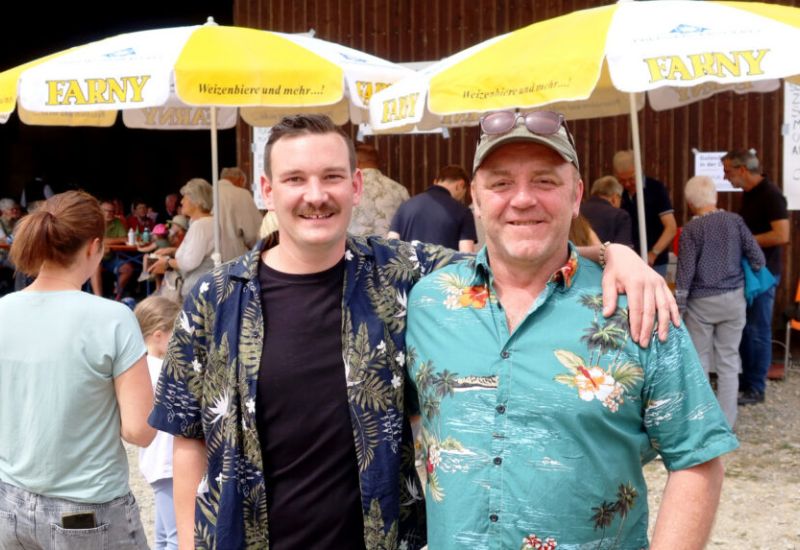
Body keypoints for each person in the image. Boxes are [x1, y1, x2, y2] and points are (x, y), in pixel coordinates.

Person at [148, 114, 678, 550]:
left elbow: (510, 257)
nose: (316, 195)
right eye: (295, 179)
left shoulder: (404, 274)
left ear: (356, 186)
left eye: (331, 177)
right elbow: (188, 437)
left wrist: (614, 254)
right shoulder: (215, 299)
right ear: (267, 190)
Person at [405, 110, 736, 549]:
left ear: (576, 195)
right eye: (501, 183)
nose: (523, 199)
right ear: (476, 200)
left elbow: (697, 456)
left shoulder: (637, 306)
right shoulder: (428, 303)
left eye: (545, 181)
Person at [0, 190, 155, 549]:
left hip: (10, 501)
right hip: (88, 509)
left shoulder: (4, 309)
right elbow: (139, 430)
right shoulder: (113, 318)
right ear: (94, 247)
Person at [676, 175, 765, 427]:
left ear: (690, 203)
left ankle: (704, 422)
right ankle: (727, 423)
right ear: (715, 197)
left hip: (701, 304)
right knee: (729, 360)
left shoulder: (691, 230)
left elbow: (685, 273)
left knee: (700, 360)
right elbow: (758, 259)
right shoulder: (735, 221)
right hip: (734, 300)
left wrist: (678, 307)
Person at [721, 149, 790, 405]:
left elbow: (782, 235)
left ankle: (756, 387)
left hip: (764, 274)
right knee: (746, 328)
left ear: (742, 170)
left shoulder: (771, 195)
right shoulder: (749, 194)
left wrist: (744, 241)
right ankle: (746, 382)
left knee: (758, 330)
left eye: (727, 171)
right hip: (751, 273)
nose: (725, 177)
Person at [134, 296, 182, 550]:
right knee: (176, 535)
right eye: (176, 333)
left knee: (164, 534)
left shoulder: (141, 367)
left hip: (155, 460)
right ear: (159, 335)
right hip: (167, 461)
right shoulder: (164, 370)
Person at [148, 179, 215, 299]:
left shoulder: (201, 225)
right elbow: (197, 252)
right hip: (202, 286)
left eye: (185, 197)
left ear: (197, 201)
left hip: (196, 289)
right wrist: (172, 250)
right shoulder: (204, 222)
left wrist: (167, 263)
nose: (181, 201)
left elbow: (189, 263)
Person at [388, 164, 478, 252]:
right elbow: (467, 254)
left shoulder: (405, 207)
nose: (461, 197)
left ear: (435, 182)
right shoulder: (463, 212)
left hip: (409, 262)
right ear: (460, 185)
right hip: (445, 262)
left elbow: (391, 245)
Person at [614, 150, 677, 274]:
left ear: (640, 169)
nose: (627, 184)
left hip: (655, 263)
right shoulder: (618, 193)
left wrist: (653, 253)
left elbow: (671, 228)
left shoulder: (656, 189)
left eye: (631, 179)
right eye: (622, 180)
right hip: (627, 261)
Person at [348, 143, 409, 236]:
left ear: (356, 162)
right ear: (377, 163)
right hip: (387, 245)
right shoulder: (400, 190)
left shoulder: (348, 187)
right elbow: (406, 225)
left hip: (354, 244)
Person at [91, 199, 136, 299]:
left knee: (128, 269)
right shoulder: (94, 222)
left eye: (111, 211)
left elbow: (125, 239)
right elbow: (94, 240)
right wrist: (109, 241)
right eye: (106, 211)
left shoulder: (117, 222)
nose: (109, 213)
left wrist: (105, 241)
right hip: (95, 258)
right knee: (95, 266)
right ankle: (98, 299)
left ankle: (116, 294)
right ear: (99, 211)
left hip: (110, 258)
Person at [217, 167, 263, 263]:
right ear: (240, 180)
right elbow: (253, 233)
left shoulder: (210, 192)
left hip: (209, 260)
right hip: (233, 258)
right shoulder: (242, 194)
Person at [580, 175, 634, 246]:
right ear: (614, 199)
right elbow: (622, 248)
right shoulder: (621, 216)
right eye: (620, 199)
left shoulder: (577, 212)